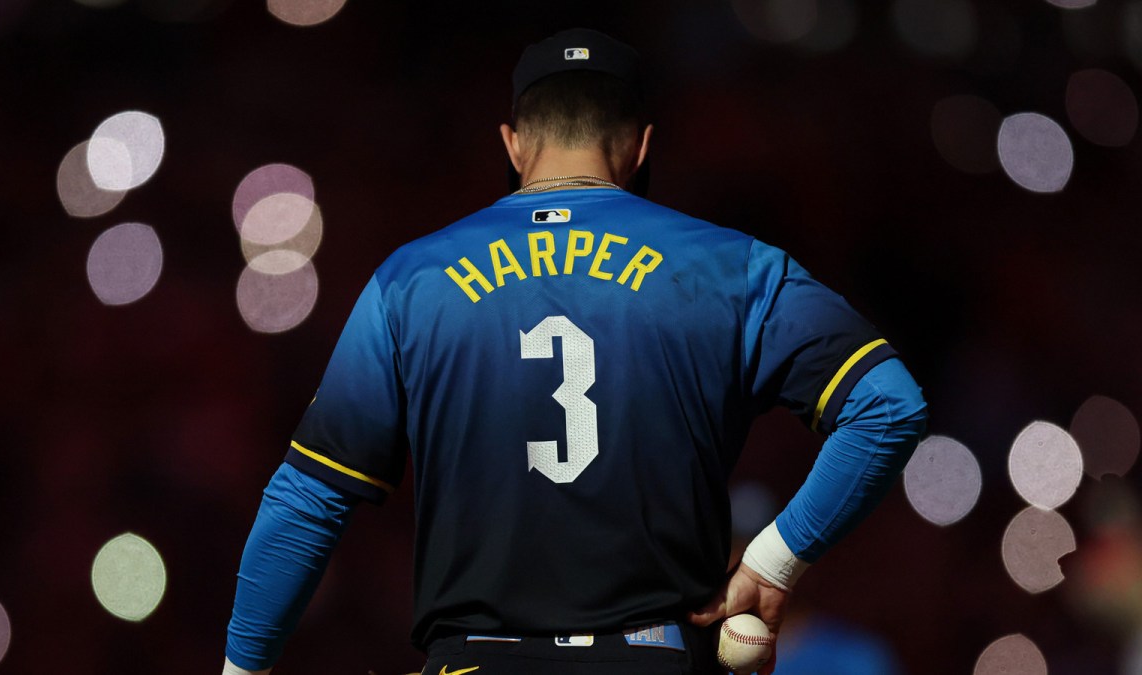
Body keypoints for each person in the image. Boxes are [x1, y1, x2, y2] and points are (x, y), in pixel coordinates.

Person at [222, 28, 928, 675]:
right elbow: (888, 406)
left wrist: (242, 670)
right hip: (655, 659)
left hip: (476, 663)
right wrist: (774, 561)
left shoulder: (411, 281)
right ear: (641, 146)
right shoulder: (732, 268)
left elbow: (307, 498)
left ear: (513, 144)